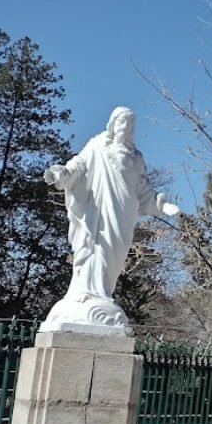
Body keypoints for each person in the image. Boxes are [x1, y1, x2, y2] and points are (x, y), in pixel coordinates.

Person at [41, 106, 179, 331]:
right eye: (122, 122)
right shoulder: (97, 146)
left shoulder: (136, 158)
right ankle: (86, 292)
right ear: (113, 124)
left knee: (116, 253)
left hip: (125, 213)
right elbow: (77, 166)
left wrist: (162, 204)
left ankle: (103, 292)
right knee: (96, 247)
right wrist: (61, 173)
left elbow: (144, 189)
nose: (126, 128)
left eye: (130, 124)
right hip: (100, 210)